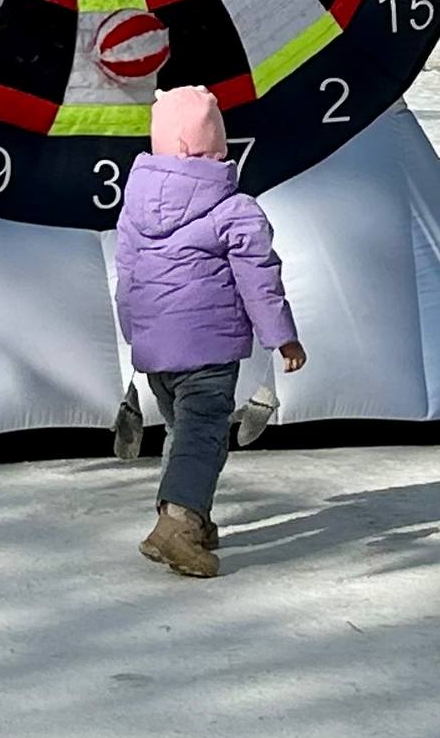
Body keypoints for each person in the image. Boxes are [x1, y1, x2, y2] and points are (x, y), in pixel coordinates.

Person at [112, 84, 307, 580]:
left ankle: (186, 518)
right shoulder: (233, 210)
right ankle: (178, 522)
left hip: (156, 353)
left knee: (182, 432)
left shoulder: (134, 210)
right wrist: (281, 336)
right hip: (207, 350)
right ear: (217, 147)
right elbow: (259, 278)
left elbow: (127, 279)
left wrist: (136, 335)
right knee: (202, 437)